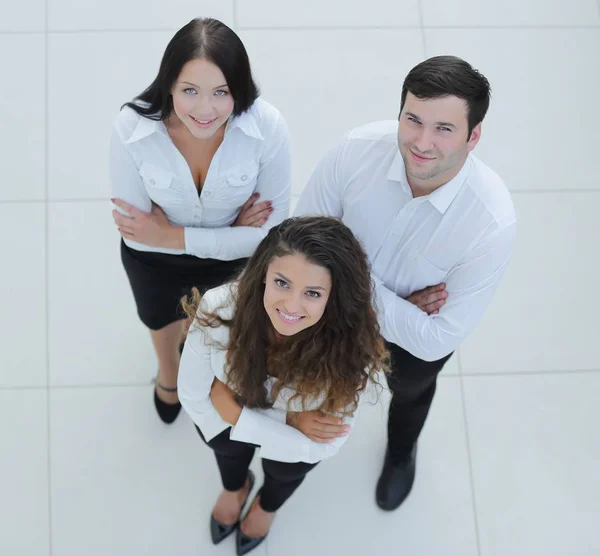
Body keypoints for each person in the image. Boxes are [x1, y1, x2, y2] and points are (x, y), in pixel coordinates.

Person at [295, 55, 517, 511]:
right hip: (329, 310)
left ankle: (401, 453)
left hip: (405, 345)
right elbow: (299, 245)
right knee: (306, 371)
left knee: (411, 392)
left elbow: (437, 340)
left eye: (444, 129)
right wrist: (396, 304)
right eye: (412, 119)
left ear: (473, 136)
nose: (421, 142)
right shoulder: (356, 150)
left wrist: (344, 276)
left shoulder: (491, 223)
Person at [109, 18, 291, 424]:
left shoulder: (267, 128)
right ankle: (168, 374)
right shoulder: (131, 128)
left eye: (221, 93)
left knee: (209, 323)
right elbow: (137, 236)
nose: (204, 110)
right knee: (159, 320)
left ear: (238, 90)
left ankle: (197, 366)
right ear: (168, 85)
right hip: (154, 260)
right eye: (189, 90)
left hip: (226, 260)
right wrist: (234, 232)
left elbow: (270, 239)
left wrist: (170, 233)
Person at [178, 216, 389, 555]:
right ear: (263, 274)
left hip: (249, 427)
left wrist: (237, 412)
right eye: (282, 283)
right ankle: (235, 488)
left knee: (285, 470)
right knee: (227, 451)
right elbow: (193, 395)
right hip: (219, 426)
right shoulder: (221, 307)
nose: (291, 306)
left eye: (313, 293)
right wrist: (291, 422)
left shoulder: (353, 347)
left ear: (334, 297)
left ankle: (267, 505)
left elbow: (323, 447)